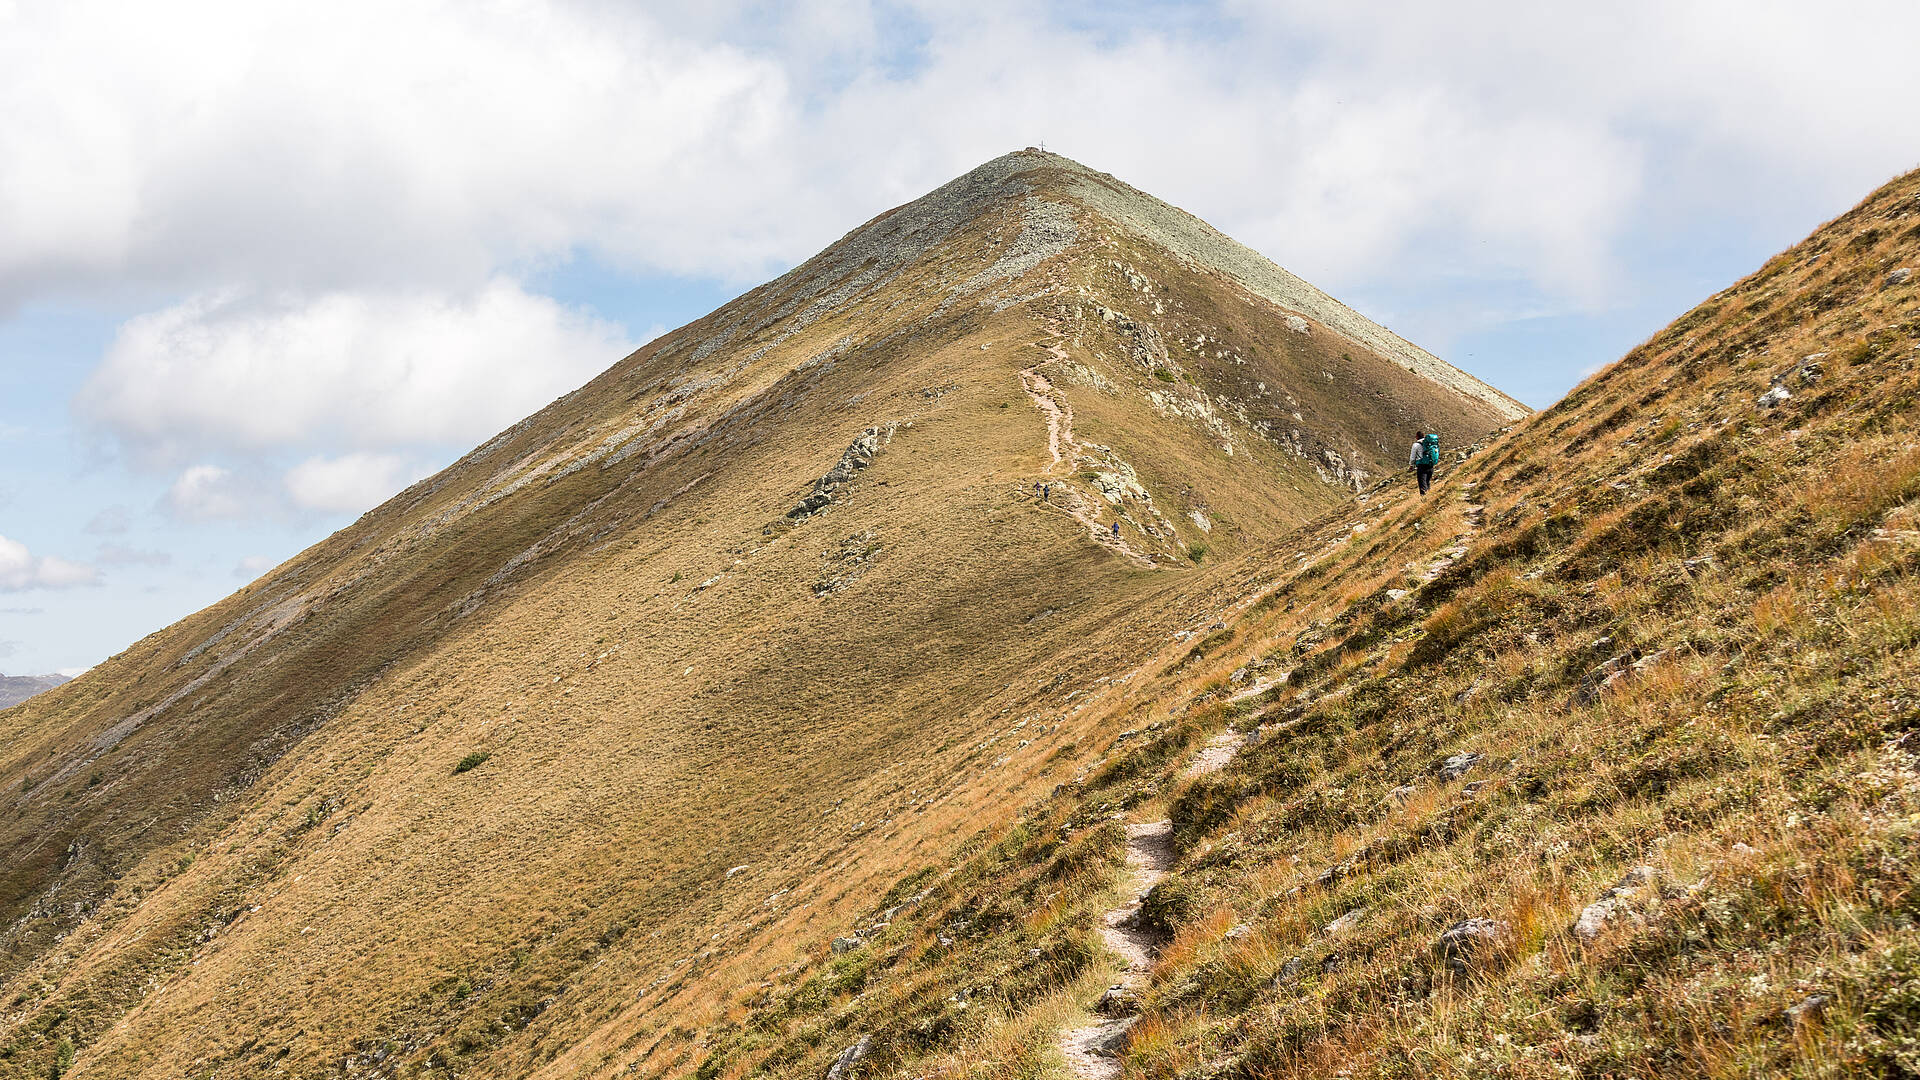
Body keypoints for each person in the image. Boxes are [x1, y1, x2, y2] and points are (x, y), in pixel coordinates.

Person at [1409, 430, 1439, 495]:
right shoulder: (1429, 444)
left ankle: (1424, 500)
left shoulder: (1416, 445)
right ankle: (1429, 497)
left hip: (1422, 467)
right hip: (1430, 465)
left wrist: (1411, 465)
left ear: (1417, 437)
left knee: (1422, 484)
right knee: (1427, 482)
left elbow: (1412, 457)